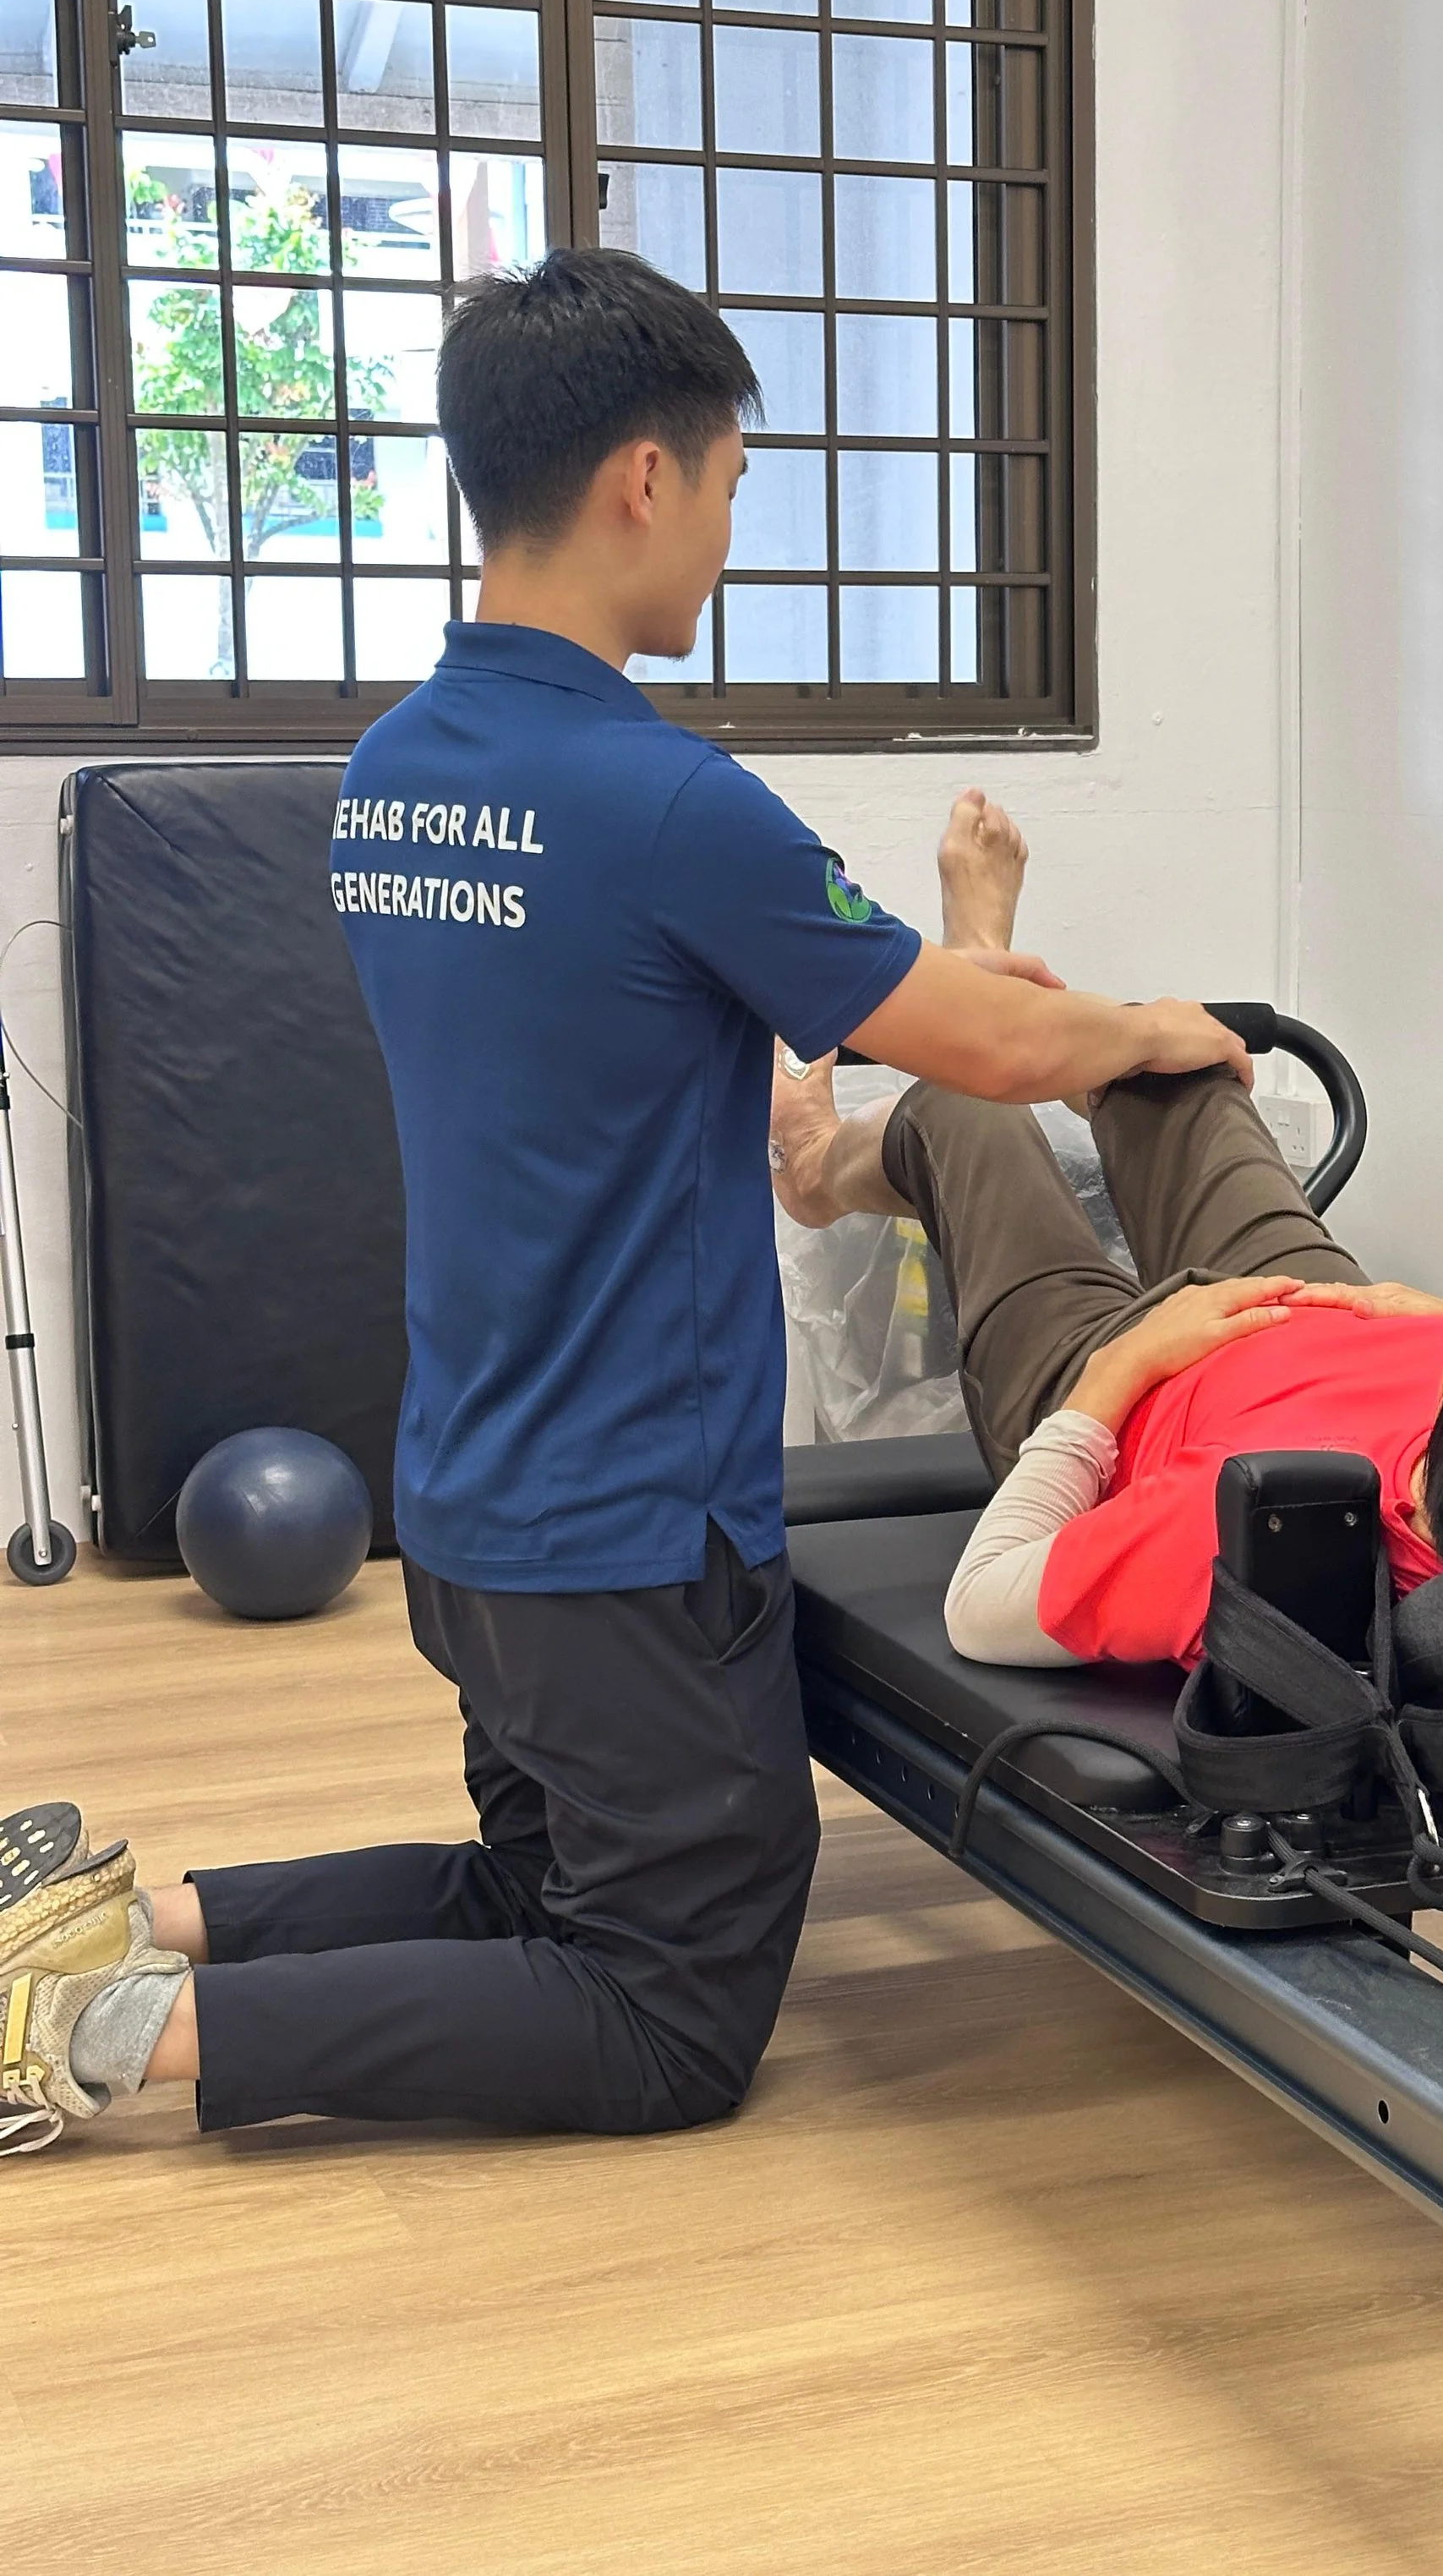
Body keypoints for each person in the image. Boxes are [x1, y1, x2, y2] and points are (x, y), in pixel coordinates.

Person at [0, 249, 1249, 2158]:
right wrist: (1177, 1027)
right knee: (666, 2016)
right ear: (643, 481)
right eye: (739, 485)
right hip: (629, 1525)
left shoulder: (402, 777)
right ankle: (107, 2034)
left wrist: (938, 957)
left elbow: (623, 1027)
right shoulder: (666, 802)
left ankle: (109, 1923)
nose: (733, 536)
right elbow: (989, 1057)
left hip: (474, 1498)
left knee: (549, 1900)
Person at [768, 811, 1443, 1673]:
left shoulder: (1260, 1534)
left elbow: (984, 1604)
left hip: (1130, 1381)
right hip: (1316, 1307)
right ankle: (987, 1001)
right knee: (1183, 1062)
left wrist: (1120, 1370)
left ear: (1428, 1487)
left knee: (967, 1111)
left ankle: (823, 1159)